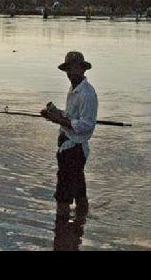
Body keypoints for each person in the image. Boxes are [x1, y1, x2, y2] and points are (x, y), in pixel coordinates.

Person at [41, 51, 98, 218]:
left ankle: (61, 229)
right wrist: (55, 113)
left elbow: (85, 125)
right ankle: (81, 222)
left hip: (75, 149)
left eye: (75, 69)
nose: (72, 73)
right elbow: (73, 116)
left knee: (63, 195)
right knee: (79, 189)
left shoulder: (87, 93)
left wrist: (57, 120)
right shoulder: (74, 88)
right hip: (68, 146)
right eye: (69, 69)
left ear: (83, 70)